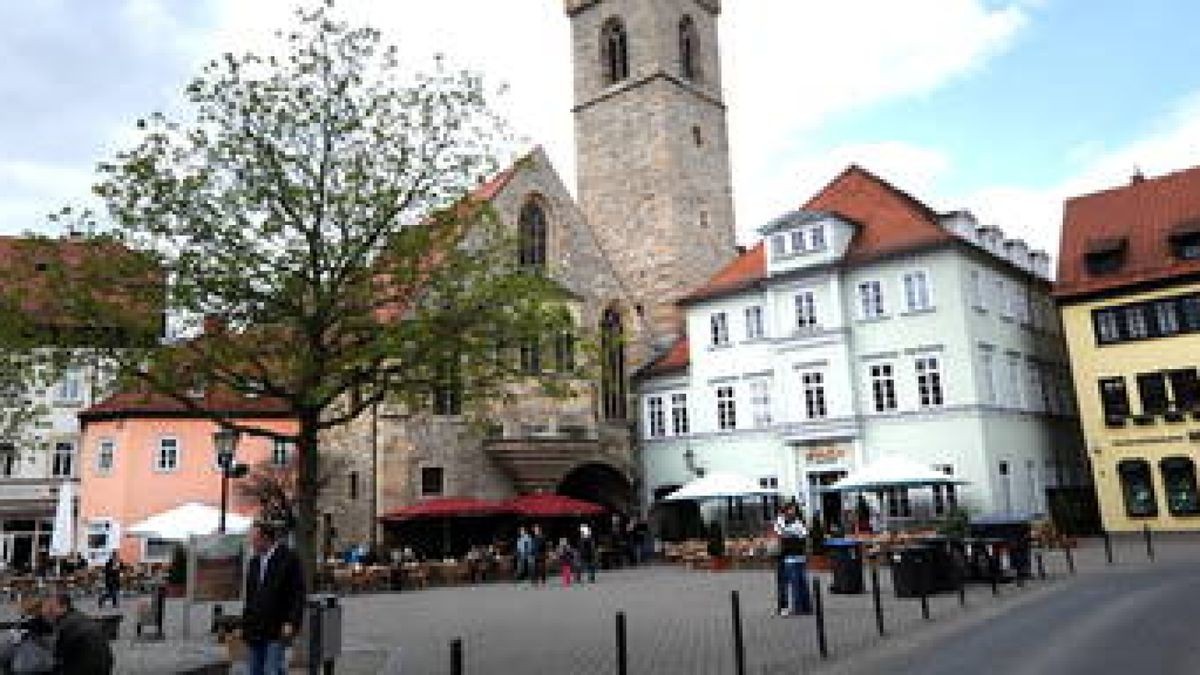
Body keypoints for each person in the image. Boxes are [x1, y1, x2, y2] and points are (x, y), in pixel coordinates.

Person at [243, 521, 305, 675]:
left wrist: (291, 621)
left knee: (272, 669)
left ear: (266, 538)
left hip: (277, 627)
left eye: (254, 539)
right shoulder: (254, 562)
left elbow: (297, 593)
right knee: (255, 670)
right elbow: (250, 596)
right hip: (255, 628)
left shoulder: (288, 559)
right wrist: (244, 624)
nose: (252, 543)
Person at [39, 591, 114, 674]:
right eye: (45, 608)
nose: (45, 612)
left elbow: (55, 657)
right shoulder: (79, 616)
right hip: (103, 667)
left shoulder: (64, 626)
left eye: (50, 608)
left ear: (64, 607)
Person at [774, 502, 812, 616]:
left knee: (800, 582)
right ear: (785, 511)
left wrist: (790, 534)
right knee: (784, 583)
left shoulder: (798, 523)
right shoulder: (780, 521)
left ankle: (802, 606)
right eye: (790, 510)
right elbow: (780, 533)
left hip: (795, 556)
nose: (792, 512)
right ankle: (784, 606)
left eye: (794, 510)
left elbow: (804, 535)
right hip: (784, 556)